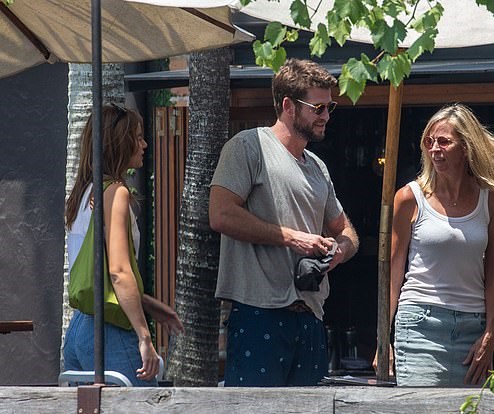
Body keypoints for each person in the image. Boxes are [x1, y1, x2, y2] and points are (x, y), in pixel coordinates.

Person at [209, 58, 359, 387]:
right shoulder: (248, 146)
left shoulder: (317, 166)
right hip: (258, 311)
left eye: (330, 107)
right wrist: (294, 238)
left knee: (309, 410)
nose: (326, 116)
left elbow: (346, 231)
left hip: (311, 315)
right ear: (288, 105)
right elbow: (220, 214)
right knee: (253, 410)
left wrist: (337, 254)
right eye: (318, 107)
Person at [377, 103, 494, 386]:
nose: (434, 149)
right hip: (420, 323)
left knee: (471, 406)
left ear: (465, 146)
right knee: (419, 405)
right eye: (429, 142)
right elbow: (392, 272)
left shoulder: (491, 197)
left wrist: (491, 333)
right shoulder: (410, 197)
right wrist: (382, 338)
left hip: (473, 326)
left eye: (443, 142)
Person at [64, 103, 184, 386]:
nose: (144, 144)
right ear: (118, 143)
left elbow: (97, 275)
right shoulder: (116, 193)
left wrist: (148, 303)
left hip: (80, 328)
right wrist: (144, 336)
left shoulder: (84, 193)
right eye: (138, 137)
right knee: (143, 403)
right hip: (109, 330)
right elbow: (118, 271)